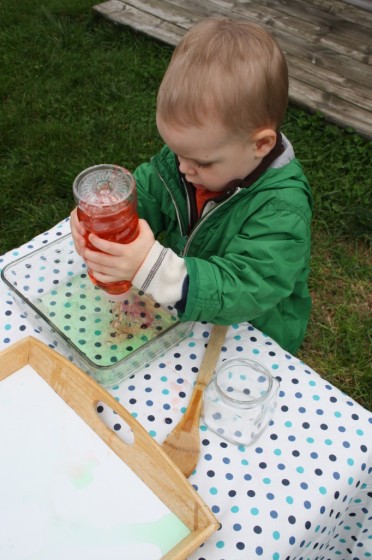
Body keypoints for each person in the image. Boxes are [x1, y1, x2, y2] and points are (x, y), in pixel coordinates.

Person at [70, 16, 313, 354]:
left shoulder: (282, 208)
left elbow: (248, 287)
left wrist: (154, 268)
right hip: (185, 311)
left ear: (261, 144)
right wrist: (107, 222)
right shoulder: (190, 161)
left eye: (201, 161)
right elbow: (149, 193)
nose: (183, 168)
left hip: (250, 335)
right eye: (176, 152)